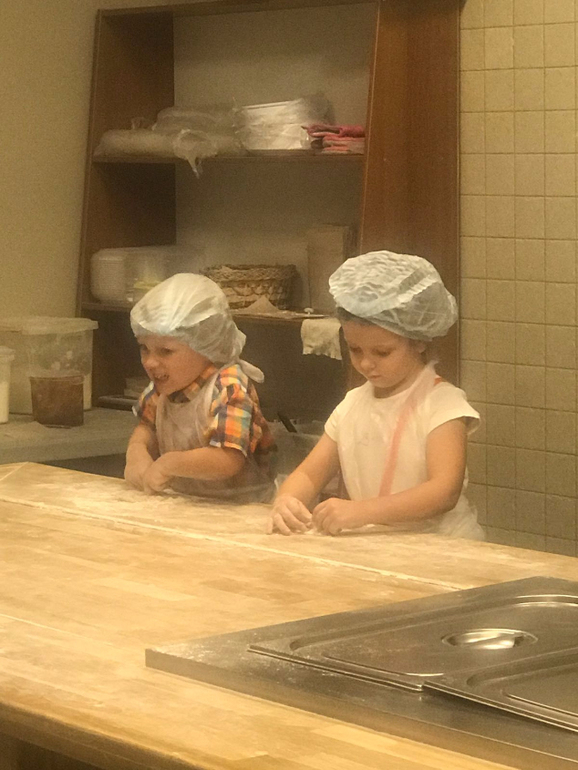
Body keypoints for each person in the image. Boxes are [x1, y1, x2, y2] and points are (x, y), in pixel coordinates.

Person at [269, 250, 483, 539]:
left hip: (444, 547)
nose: (366, 363)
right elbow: (308, 474)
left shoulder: (442, 404)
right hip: (377, 547)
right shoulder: (352, 405)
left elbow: (444, 491)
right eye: (355, 349)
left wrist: (362, 511)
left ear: (419, 341)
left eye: (382, 352)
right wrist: (287, 500)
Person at [124, 273, 276, 503]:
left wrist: (170, 464)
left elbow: (228, 460)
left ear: (206, 347)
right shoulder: (162, 388)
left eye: (165, 351)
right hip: (187, 504)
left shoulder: (229, 387)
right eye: (144, 348)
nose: (150, 362)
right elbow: (147, 428)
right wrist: (136, 452)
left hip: (243, 509)